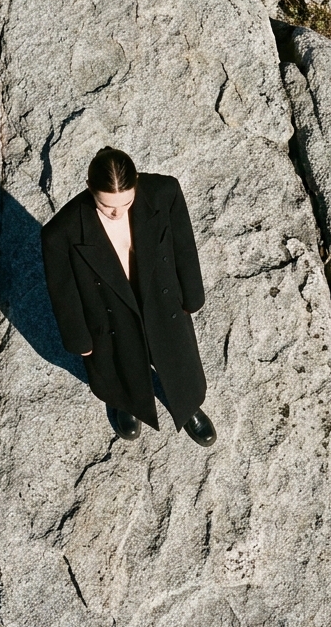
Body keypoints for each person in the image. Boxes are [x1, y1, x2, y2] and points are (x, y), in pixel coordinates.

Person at [40, 147, 216, 444]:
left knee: (176, 354)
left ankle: (188, 405)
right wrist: (78, 338)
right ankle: (125, 401)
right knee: (119, 359)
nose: (117, 213)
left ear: (136, 182)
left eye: (126, 202)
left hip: (159, 295)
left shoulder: (164, 192)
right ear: (89, 189)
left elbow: (183, 245)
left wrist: (192, 296)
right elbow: (63, 291)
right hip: (108, 306)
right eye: (107, 206)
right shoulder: (61, 232)